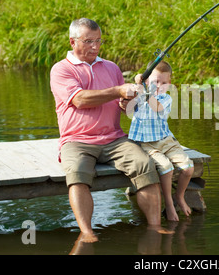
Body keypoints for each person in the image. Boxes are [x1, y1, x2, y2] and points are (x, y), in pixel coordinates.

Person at [50, 18, 165, 243]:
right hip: (77, 140)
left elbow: (122, 104)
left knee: (145, 164)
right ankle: (87, 232)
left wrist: (129, 100)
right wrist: (118, 90)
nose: (95, 46)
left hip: (114, 139)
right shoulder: (61, 70)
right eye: (88, 41)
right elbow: (80, 99)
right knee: (77, 174)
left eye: (98, 41)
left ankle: (155, 227)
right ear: (73, 42)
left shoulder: (111, 67)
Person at [128, 61, 194, 221]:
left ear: (169, 85)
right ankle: (169, 204)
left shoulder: (165, 99)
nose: (159, 86)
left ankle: (179, 196)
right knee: (166, 168)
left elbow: (155, 107)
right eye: (156, 81)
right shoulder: (140, 94)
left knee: (188, 168)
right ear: (148, 80)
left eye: (164, 83)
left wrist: (144, 88)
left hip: (166, 140)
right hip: (146, 144)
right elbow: (128, 102)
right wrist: (137, 83)